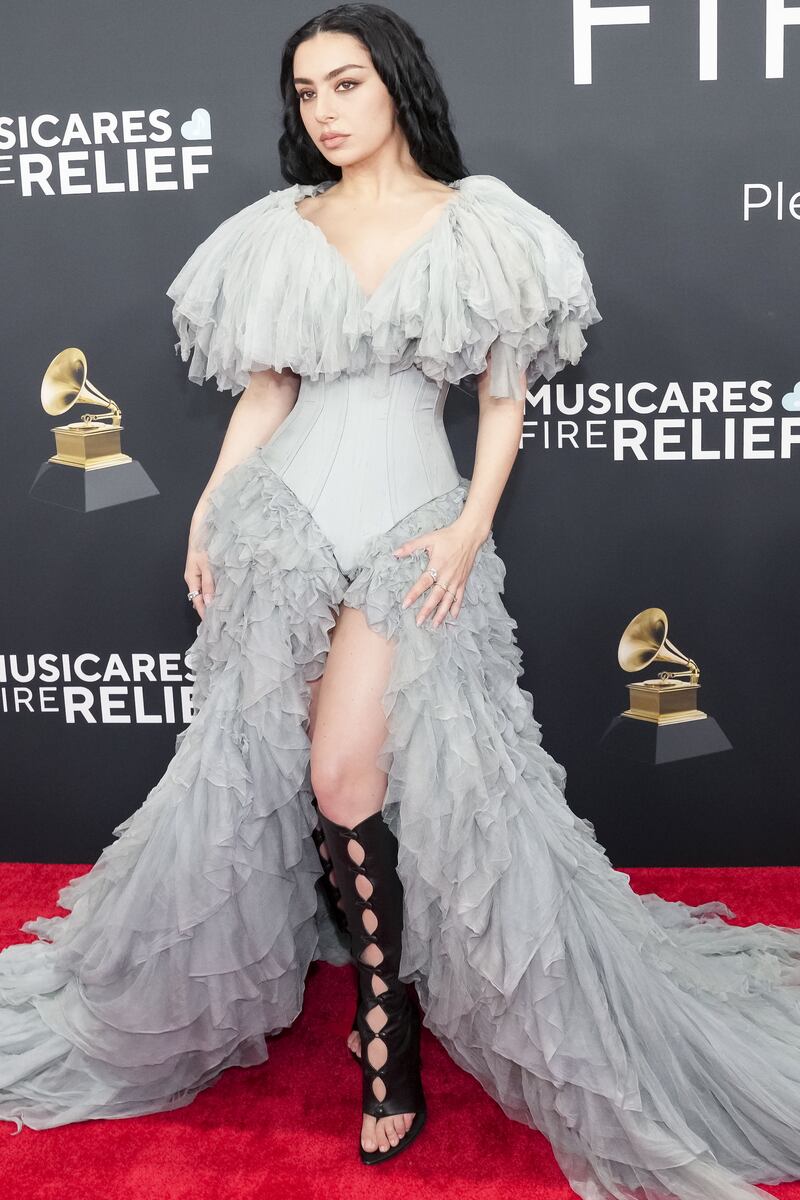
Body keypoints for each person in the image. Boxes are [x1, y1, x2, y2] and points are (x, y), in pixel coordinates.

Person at [2, 3, 800, 1194]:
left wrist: (469, 531)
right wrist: (207, 504)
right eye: (306, 91)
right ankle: (370, 992)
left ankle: (387, 1022)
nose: (324, 111)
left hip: (411, 527)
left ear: (397, 87)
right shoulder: (281, 228)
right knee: (274, 766)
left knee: (343, 773)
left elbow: (498, 402)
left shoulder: (480, 226)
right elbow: (267, 392)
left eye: (345, 83)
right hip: (277, 519)